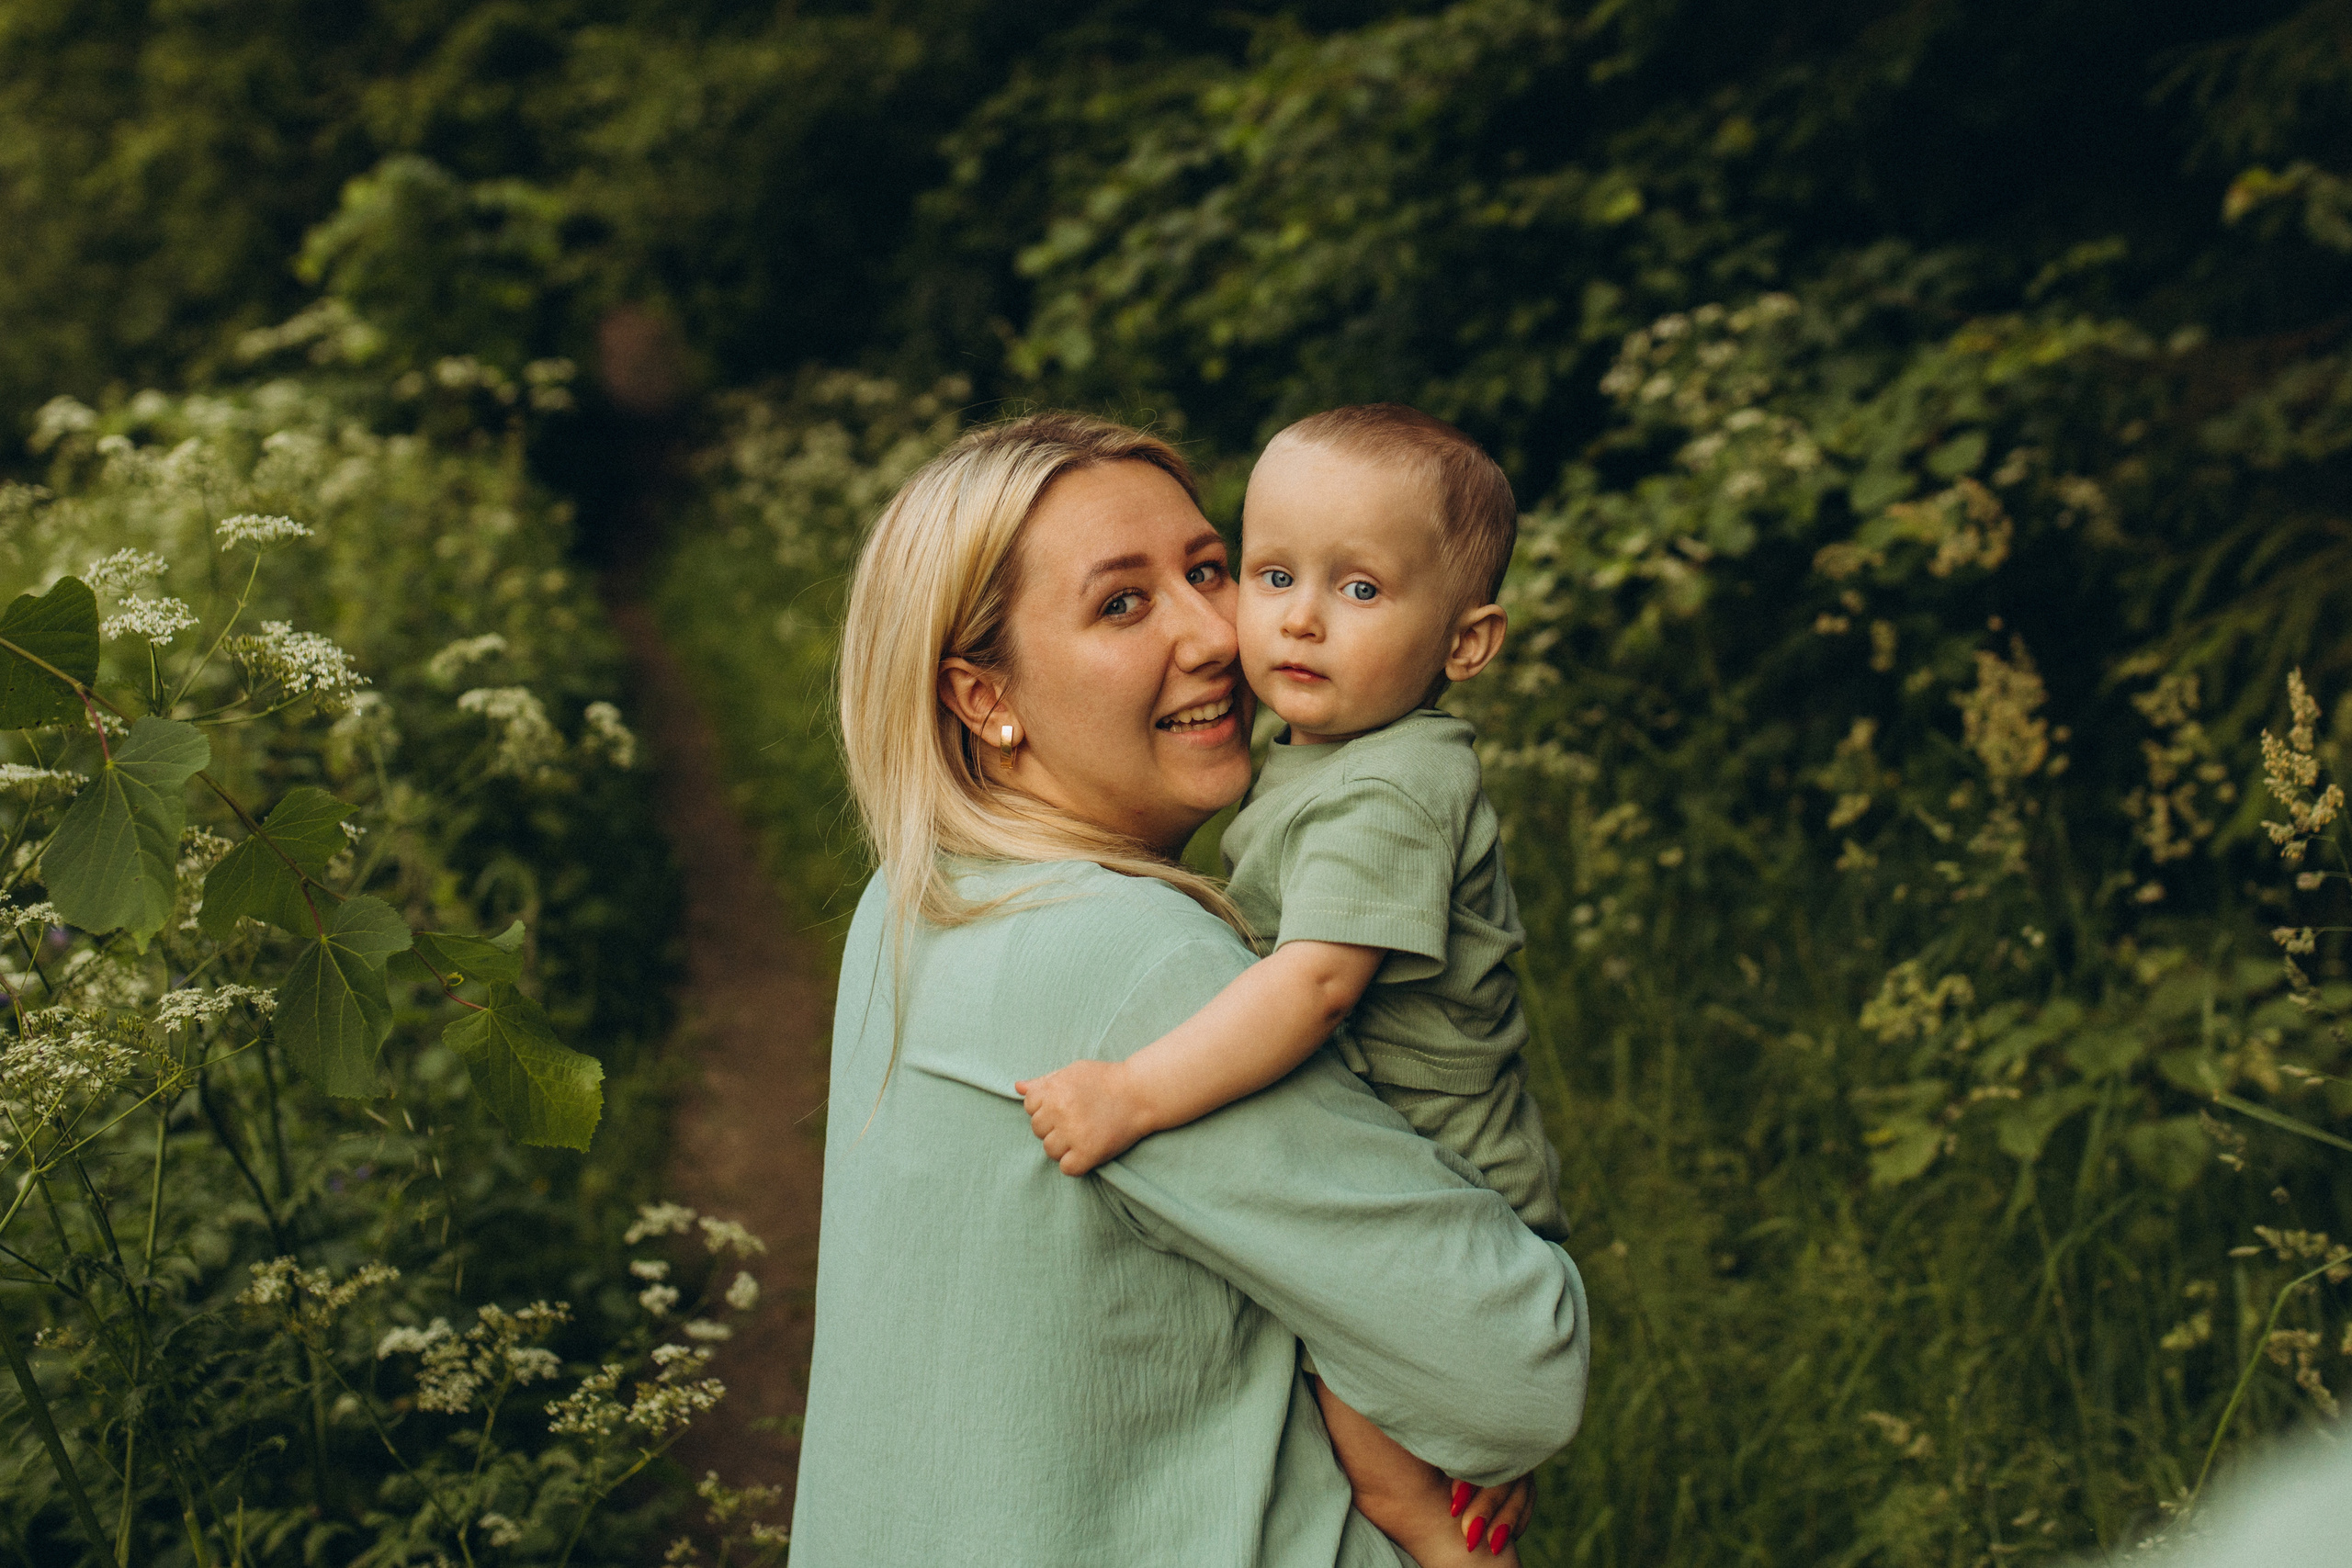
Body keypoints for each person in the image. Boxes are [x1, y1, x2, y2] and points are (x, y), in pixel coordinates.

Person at [787, 411, 1589, 1566]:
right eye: (1123, 603)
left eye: (1210, 570)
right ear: (979, 696)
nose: (1220, 633)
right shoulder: (1130, 961)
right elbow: (1520, 1373)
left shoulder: (916, 900)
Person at [1015, 404, 1558, 1566]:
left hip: (1446, 1169)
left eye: (1359, 589)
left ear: (1466, 644)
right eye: (1271, 575)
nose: (1300, 618)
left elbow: (1314, 987)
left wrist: (1134, 1094)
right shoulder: (1327, 757)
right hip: (1403, 1150)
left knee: (1401, 1489)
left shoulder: (1389, 791)